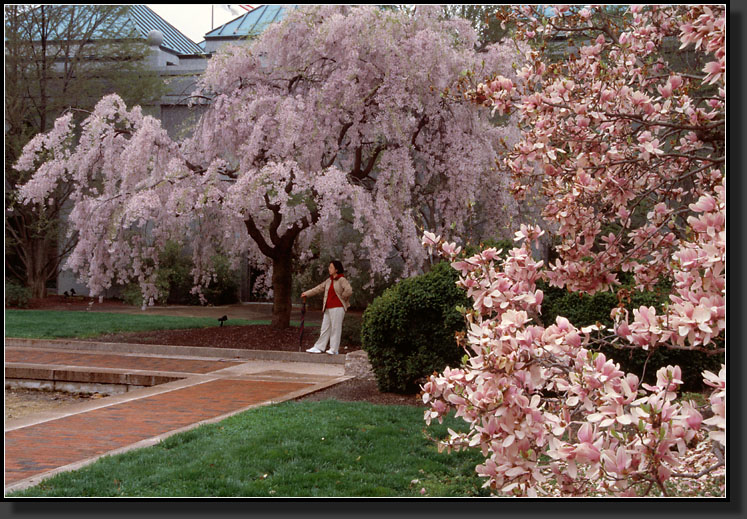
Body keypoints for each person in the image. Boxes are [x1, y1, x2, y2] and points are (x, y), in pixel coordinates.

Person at [301, 260, 353, 355]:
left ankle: (334, 349)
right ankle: (319, 347)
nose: (329, 269)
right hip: (328, 307)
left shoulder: (342, 280)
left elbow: (349, 290)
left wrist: (342, 297)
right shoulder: (329, 281)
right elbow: (318, 288)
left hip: (338, 307)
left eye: (331, 267)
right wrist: (306, 294)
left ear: (336, 269)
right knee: (324, 328)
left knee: (335, 328)